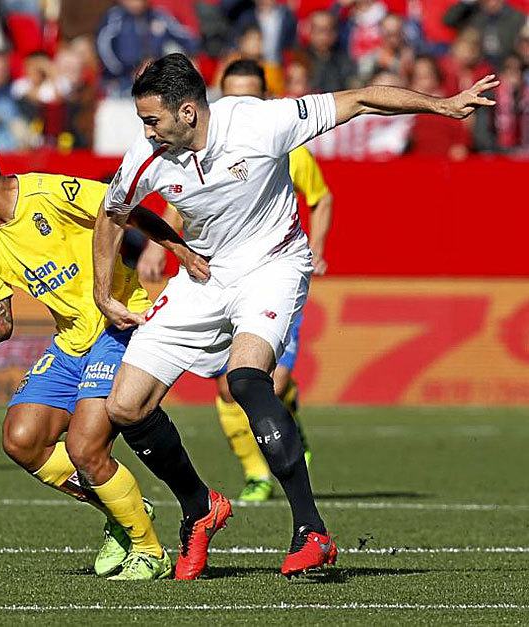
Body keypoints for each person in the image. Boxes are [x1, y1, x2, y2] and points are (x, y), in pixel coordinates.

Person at [92, 52, 497, 577]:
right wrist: (108, 291)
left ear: (188, 111)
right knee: (125, 407)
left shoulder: (260, 121)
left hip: (273, 264)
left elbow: (360, 99)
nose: (146, 131)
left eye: (153, 120)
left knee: (246, 379)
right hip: (204, 276)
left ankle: (311, 530)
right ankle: (199, 507)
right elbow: (113, 212)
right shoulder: (145, 157)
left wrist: (441, 105)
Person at [0, 131, 206, 580]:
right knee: (21, 439)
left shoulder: (49, 193)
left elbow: (122, 208)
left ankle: (149, 550)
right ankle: (121, 508)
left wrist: (177, 248)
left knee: (84, 448)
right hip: (71, 342)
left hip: (120, 323)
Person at [135, 59, 334, 503]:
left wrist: (317, 247)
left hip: (269, 273)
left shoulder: (283, 141)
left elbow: (320, 199)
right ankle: (256, 474)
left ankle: (289, 451)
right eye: (233, 93)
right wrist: (157, 244)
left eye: (252, 93)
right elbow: (182, 200)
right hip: (218, 280)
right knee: (230, 387)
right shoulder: (189, 149)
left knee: (263, 383)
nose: (241, 101)